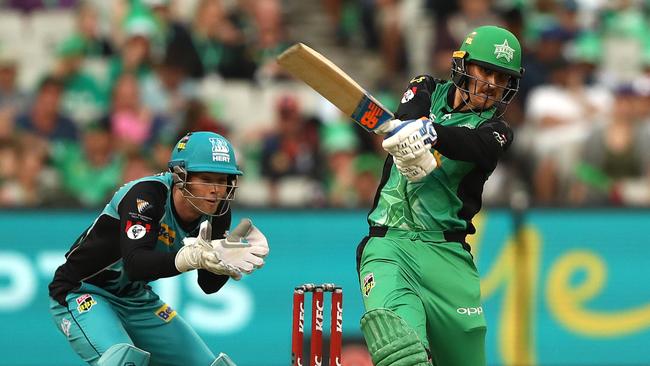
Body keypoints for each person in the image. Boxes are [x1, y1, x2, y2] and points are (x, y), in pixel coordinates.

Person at [356, 25, 523, 366]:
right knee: (401, 353)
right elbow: (405, 119)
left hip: (447, 255)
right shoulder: (426, 88)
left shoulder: (496, 130)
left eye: (502, 77)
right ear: (463, 66)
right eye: (485, 70)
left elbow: (476, 147)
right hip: (390, 245)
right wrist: (411, 135)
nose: (492, 83)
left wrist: (431, 134)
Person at [48, 131, 269, 366]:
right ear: (180, 176)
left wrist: (225, 260)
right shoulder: (146, 196)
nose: (216, 190)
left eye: (223, 180)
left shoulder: (218, 212)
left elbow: (208, 285)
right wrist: (190, 258)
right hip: (83, 291)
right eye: (206, 179)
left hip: (135, 298)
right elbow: (135, 264)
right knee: (123, 362)